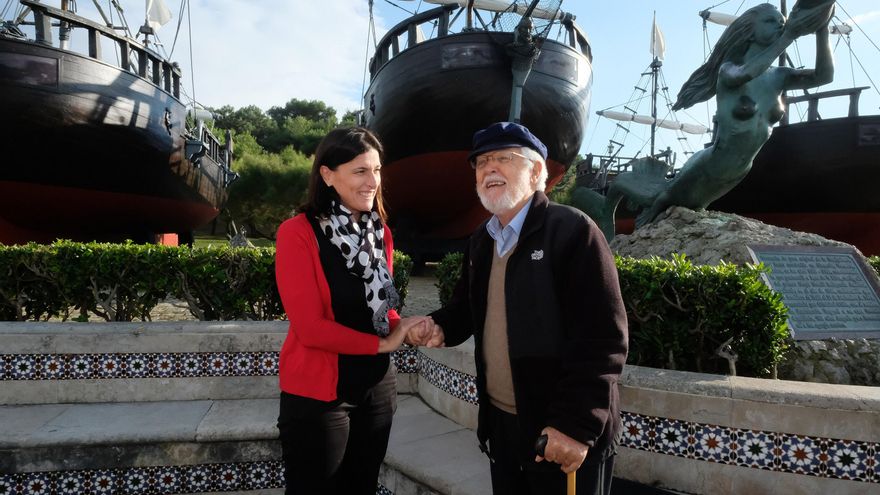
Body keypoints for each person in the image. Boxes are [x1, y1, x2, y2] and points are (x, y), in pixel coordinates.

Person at [415, 122, 629, 494]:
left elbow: (603, 340)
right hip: (502, 428)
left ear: (535, 172)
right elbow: (466, 308)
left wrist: (575, 426)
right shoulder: (482, 239)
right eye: (481, 162)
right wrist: (438, 326)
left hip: (561, 433)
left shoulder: (574, 231)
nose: (488, 169)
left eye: (502, 159)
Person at [574, 0, 835, 239]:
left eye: (782, 22)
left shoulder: (781, 75)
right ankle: (621, 217)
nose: (780, 24)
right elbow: (746, 72)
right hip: (712, 163)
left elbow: (824, 77)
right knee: (663, 198)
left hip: (739, 171)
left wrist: (821, 29)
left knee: (694, 209)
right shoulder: (729, 70)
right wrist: (789, 35)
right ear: (750, 31)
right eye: (770, 21)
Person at [274, 127, 430, 494]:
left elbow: (382, 312)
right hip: (318, 396)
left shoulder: (381, 233)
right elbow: (310, 327)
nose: (372, 181)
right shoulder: (298, 233)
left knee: (362, 487)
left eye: (376, 170)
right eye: (360, 171)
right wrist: (383, 345)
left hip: (376, 389)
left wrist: (405, 326)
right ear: (328, 175)